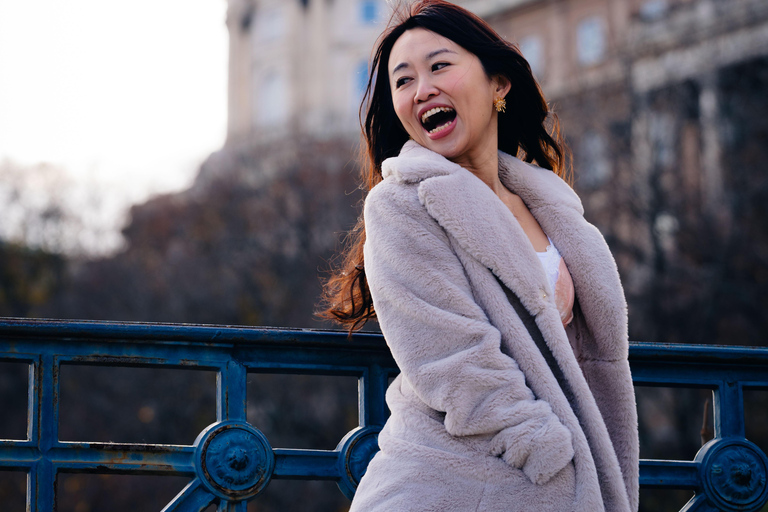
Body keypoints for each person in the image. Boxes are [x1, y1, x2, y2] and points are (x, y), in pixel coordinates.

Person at [320, 1, 639, 510]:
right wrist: (550, 456)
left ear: (498, 84)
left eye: (439, 66)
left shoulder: (552, 206)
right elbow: (451, 361)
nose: (421, 89)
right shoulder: (401, 203)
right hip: (450, 488)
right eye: (402, 81)